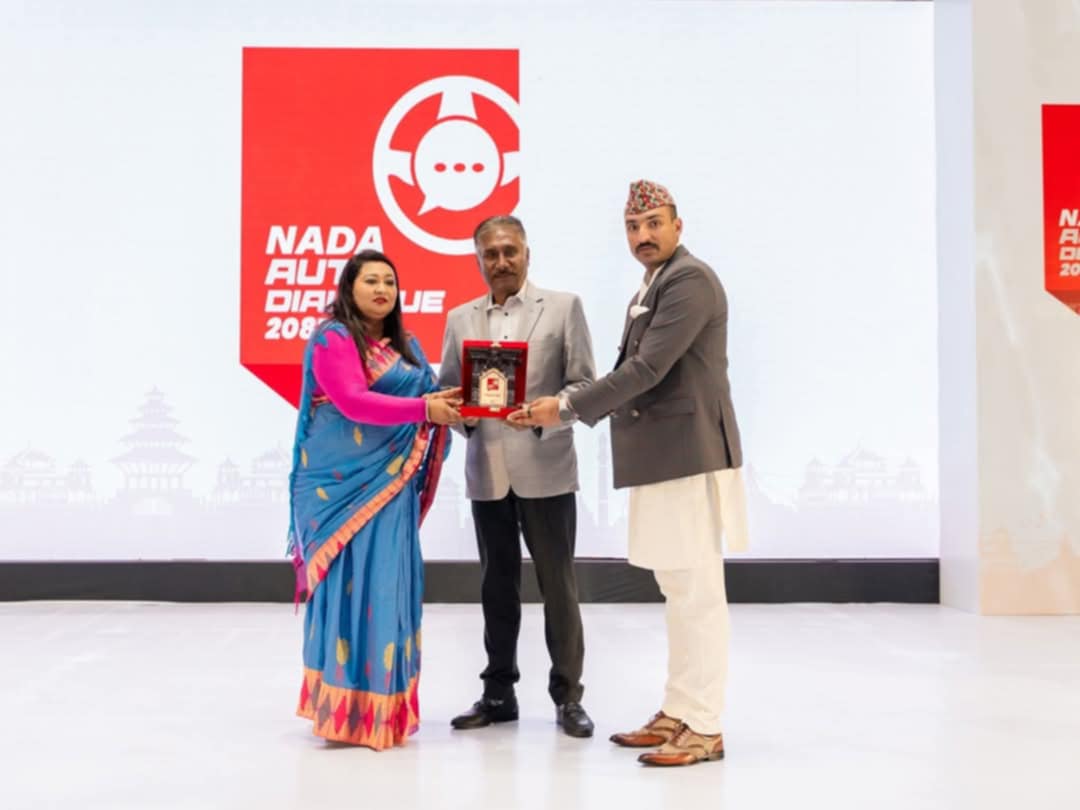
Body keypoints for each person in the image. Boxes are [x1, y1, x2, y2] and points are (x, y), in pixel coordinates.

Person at [510, 180, 749, 766]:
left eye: (654, 224)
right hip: (662, 457)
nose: (643, 235)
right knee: (677, 589)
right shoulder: (654, 283)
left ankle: (705, 725)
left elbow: (647, 369)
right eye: (633, 227)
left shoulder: (689, 280)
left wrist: (566, 407)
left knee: (698, 594)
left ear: (678, 226)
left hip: (689, 455)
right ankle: (680, 709)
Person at [287, 249, 462, 750]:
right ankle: (343, 713)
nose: (382, 289)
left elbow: (430, 401)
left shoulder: (407, 347)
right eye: (371, 281)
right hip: (341, 487)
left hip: (391, 488)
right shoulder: (333, 338)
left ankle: (383, 711)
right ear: (350, 287)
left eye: (390, 281)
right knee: (349, 589)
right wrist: (424, 408)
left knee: (387, 587)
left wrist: (455, 405)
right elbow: (352, 402)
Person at [437, 215, 598, 738]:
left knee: (559, 588)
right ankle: (498, 694)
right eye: (491, 254)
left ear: (528, 253)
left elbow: (585, 385)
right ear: (478, 260)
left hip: (547, 468)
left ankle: (568, 697)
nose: (501, 261)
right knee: (496, 588)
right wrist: (463, 413)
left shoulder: (564, 307)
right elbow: (448, 392)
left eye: (510, 251)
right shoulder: (459, 319)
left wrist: (552, 411)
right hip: (487, 471)